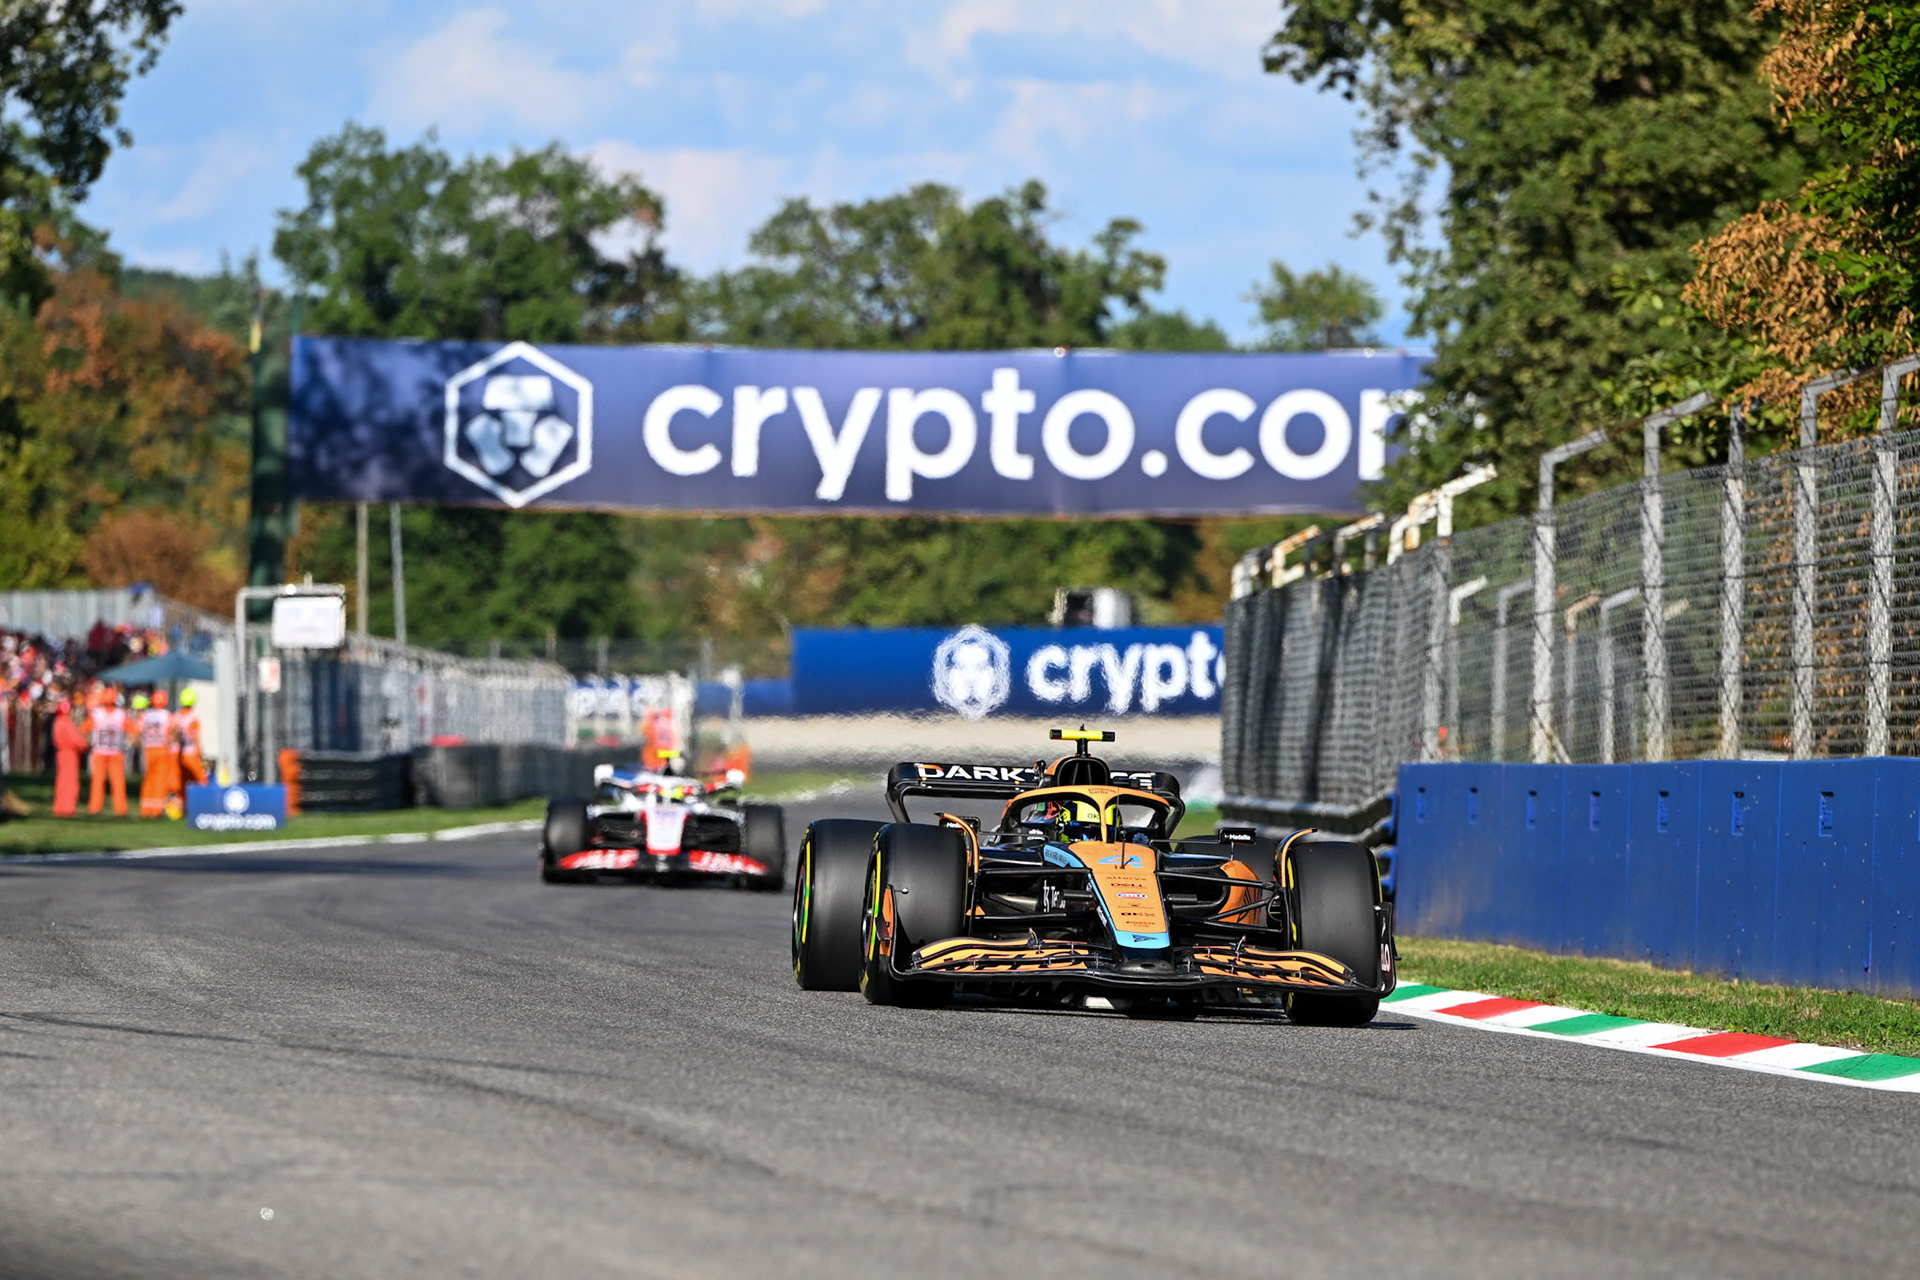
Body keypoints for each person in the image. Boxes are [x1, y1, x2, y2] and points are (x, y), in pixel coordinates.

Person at [83, 688, 128, 816]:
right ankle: (121, 809)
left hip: (99, 751)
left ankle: (94, 808)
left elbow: (84, 728)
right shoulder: (120, 714)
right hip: (115, 751)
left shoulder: (97, 714)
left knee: (98, 781)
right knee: (118, 782)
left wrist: (86, 741)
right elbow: (133, 730)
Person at [138, 691, 176, 819]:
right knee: (160, 780)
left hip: (148, 749)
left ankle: (145, 808)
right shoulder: (167, 715)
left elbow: (137, 729)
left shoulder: (145, 715)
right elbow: (173, 730)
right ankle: (156, 809)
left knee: (148, 778)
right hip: (161, 748)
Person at [51, 698, 84, 817]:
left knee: (61, 781)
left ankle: (59, 806)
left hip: (61, 753)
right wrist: (85, 745)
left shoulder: (57, 722)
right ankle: (68, 807)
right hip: (70, 753)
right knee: (70, 782)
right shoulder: (67, 723)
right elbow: (77, 741)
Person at [175, 688, 208, 788]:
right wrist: (202, 755)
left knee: (183, 782)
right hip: (191, 753)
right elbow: (195, 738)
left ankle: (183, 802)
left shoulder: (177, 716)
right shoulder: (193, 717)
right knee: (202, 779)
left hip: (179, 753)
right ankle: (203, 799)